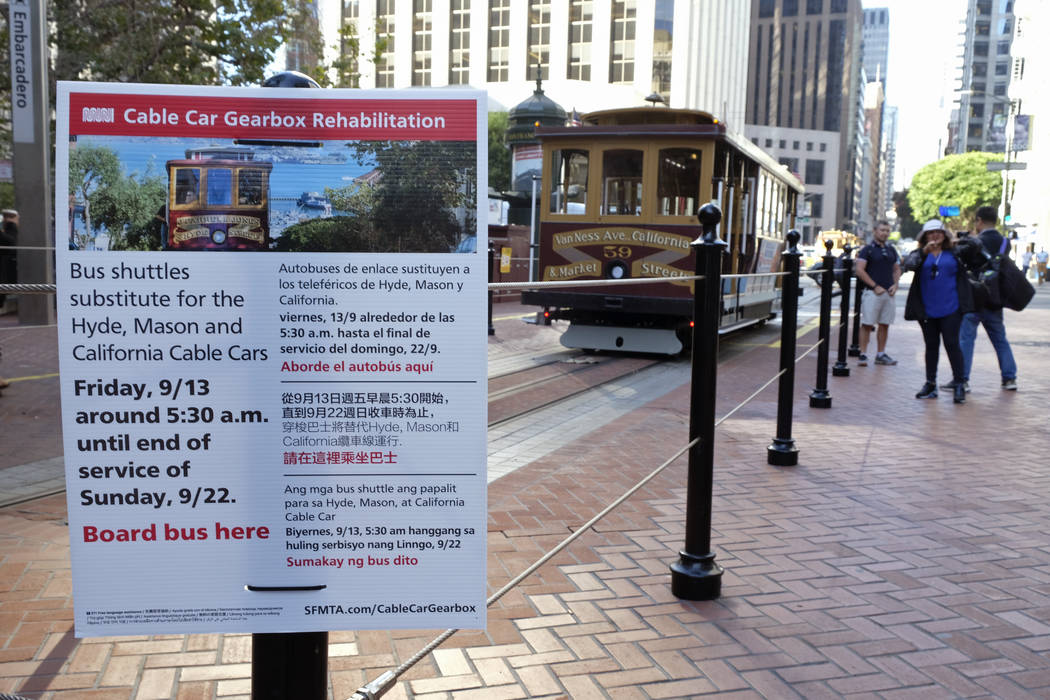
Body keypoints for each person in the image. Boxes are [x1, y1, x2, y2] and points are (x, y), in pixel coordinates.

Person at [904, 219, 973, 404]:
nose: (935, 236)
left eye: (939, 232)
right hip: (927, 309)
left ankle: (959, 383)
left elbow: (976, 248)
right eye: (931, 233)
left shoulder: (955, 252)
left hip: (951, 308)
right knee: (931, 346)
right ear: (925, 236)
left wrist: (965, 238)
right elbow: (908, 265)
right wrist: (923, 252)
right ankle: (930, 383)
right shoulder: (920, 254)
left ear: (945, 235)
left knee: (952, 344)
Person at [953, 205, 1018, 393]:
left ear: (979, 220)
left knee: (966, 338)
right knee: (1000, 338)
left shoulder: (975, 242)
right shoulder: (1005, 242)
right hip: (995, 297)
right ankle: (1009, 378)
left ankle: (963, 379)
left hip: (974, 297)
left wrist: (964, 241)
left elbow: (961, 261)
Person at [853, 219, 901, 366]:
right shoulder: (867, 250)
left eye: (887, 231)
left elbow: (897, 268)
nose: (885, 233)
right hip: (872, 293)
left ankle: (880, 354)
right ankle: (863, 354)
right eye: (882, 230)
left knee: (885, 324)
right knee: (867, 324)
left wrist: (895, 284)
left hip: (889, 293)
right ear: (875, 231)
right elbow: (859, 270)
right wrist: (874, 286)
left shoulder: (892, 249)